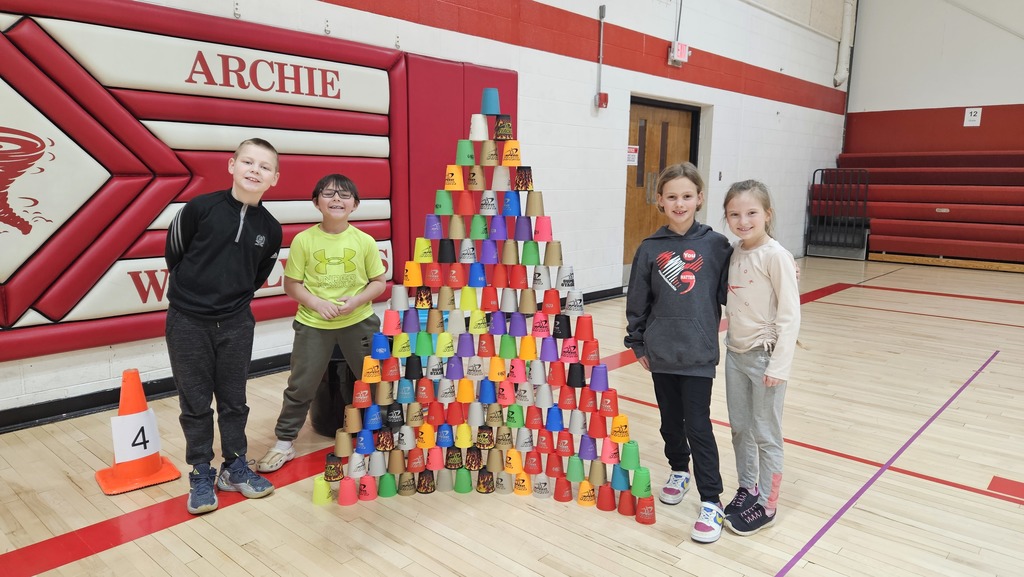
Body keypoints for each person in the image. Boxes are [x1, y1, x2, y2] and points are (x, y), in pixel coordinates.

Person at [165, 138, 283, 515]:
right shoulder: (200, 208)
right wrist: (195, 295)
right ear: (231, 165)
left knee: (235, 401)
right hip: (187, 321)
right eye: (247, 162)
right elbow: (175, 252)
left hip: (236, 323)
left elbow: (258, 273)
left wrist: (230, 302)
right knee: (195, 404)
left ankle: (235, 466)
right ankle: (201, 471)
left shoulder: (272, 229)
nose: (254, 170)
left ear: (274, 179)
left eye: (264, 167)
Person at [624, 162, 733, 543]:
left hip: (699, 352)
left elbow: (735, 285)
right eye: (672, 196)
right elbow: (638, 299)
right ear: (660, 201)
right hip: (661, 352)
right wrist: (637, 341)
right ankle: (678, 470)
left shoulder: (717, 245)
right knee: (670, 421)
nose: (680, 203)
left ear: (700, 198)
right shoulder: (650, 248)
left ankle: (711, 499)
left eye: (687, 196)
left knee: (698, 425)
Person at [257, 173, 387, 473]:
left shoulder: (364, 241)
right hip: (313, 324)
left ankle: (385, 434)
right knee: (301, 385)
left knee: (376, 380)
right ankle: (284, 441)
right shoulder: (304, 240)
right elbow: (292, 285)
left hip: (359, 321)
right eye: (329, 194)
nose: (337, 199)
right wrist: (317, 303)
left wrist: (355, 301)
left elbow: (378, 282)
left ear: (355, 205)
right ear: (316, 202)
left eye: (344, 195)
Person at [721, 180, 800, 536]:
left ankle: (767, 503)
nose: (743, 220)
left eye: (751, 212)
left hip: (765, 358)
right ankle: (748, 487)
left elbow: (790, 315)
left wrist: (779, 365)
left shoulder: (776, 256)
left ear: (767, 214)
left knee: (766, 433)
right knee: (740, 427)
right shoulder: (734, 252)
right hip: (735, 354)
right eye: (734, 214)